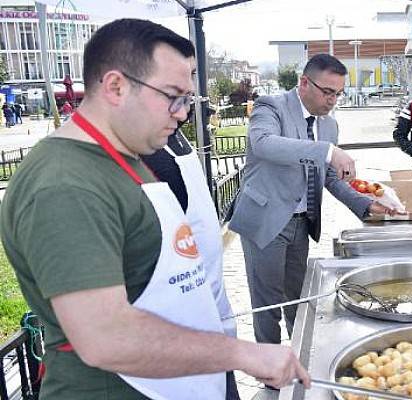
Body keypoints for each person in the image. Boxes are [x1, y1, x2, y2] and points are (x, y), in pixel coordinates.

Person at [0, 19, 309, 400]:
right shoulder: (65, 185)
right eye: (173, 96)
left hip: (191, 380)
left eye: (188, 99)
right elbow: (106, 339)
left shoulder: (130, 155)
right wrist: (242, 353)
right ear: (116, 86)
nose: (182, 114)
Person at [228, 54, 398, 347]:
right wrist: (328, 152)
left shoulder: (328, 126)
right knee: (267, 303)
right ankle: (269, 369)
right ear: (304, 82)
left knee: (299, 297)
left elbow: (329, 178)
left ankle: (300, 357)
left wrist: (365, 204)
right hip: (266, 219)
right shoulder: (271, 107)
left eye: (339, 93)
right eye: (327, 92)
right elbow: (264, 144)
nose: (333, 100)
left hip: (301, 223)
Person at [142, 125, 241, 399]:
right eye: (174, 94)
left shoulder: (171, 133)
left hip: (216, 322)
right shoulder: (139, 156)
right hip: (181, 344)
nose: (183, 108)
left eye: (187, 97)